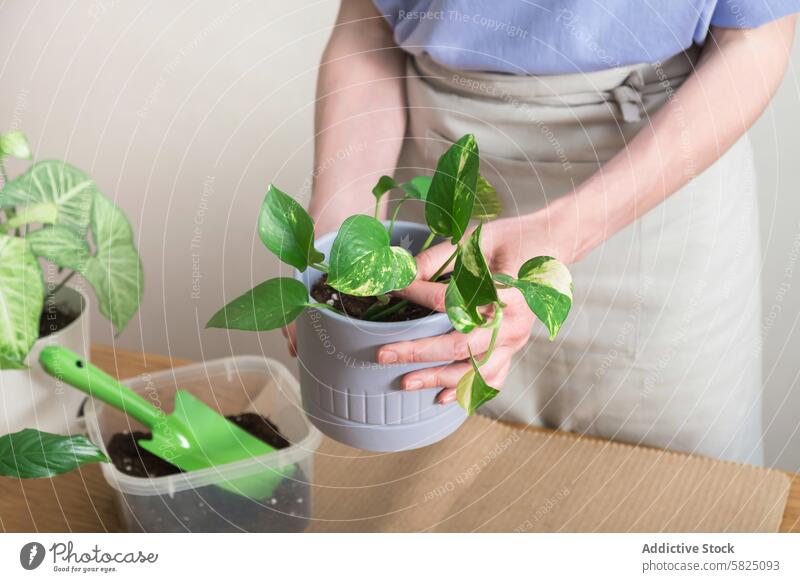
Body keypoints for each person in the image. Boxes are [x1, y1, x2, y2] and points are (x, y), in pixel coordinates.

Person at [287, 0, 799, 465]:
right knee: (437, 482)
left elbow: (755, 37)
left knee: (663, 494)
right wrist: (337, 233)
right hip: (440, 179)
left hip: (652, 183)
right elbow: (368, 19)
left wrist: (560, 232)